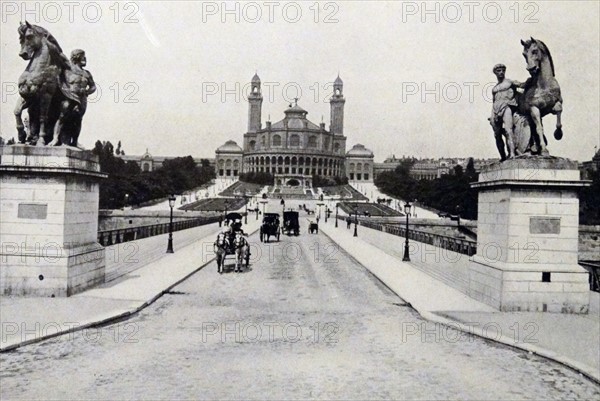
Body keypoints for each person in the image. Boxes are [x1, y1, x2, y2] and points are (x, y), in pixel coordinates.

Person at [489, 63, 525, 161]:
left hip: (507, 107)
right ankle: (503, 156)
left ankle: (512, 153)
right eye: (498, 71)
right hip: (495, 110)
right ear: (495, 73)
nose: (501, 72)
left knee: (508, 130)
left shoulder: (510, 82)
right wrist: (493, 114)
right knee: (497, 135)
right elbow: (494, 101)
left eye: (502, 70)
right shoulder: (494, 88)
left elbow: (523, 85)